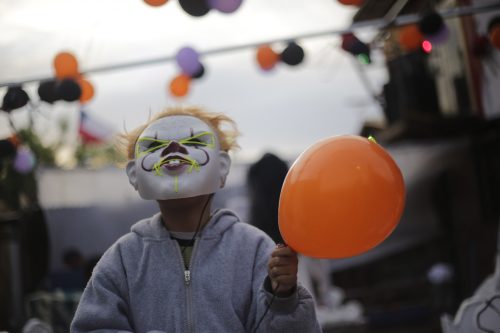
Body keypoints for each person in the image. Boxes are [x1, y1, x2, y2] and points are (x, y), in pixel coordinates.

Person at [71, 106, 321, 332]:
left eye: (195, 141)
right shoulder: (124, 259)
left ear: (222, 167)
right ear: (134, 174)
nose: (173, 150)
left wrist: (284, 299)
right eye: (154, 146)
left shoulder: (254, 249)